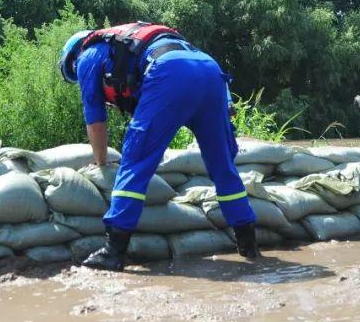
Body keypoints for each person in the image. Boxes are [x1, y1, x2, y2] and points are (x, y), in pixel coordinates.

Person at [58, 22, 259, 271]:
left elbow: (95, 117)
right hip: (210, 71)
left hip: (170, 73)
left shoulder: (88, 55)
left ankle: (114, 251)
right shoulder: (126, 43)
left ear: (73, 57)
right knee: (223, 166)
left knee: (136, 159)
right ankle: (248, 243)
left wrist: (101, 161)